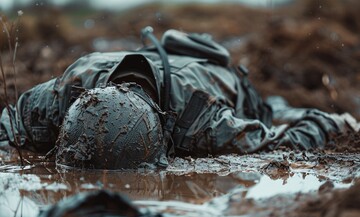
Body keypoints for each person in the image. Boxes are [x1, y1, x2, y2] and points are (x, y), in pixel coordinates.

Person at [0, 27, 357, 169]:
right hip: (159, 64)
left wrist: (336, 123)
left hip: (229, 86)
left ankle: (278, 104)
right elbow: (7, 125)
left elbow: (283, 143)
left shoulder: (203, 124)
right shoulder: (65, 93)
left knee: (273, 112)